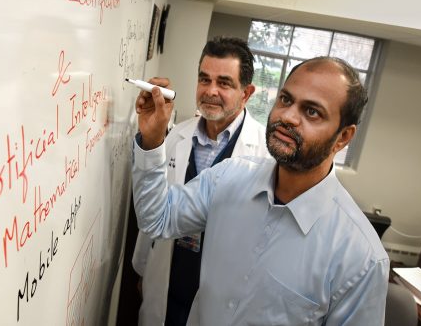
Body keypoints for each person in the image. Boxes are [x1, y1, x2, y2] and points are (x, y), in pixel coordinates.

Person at [132, 56, 389, 325]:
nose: (288, 117)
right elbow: (156, 218)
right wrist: (152, 138)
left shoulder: (361, 259)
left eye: (312, 112)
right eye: (286, 100)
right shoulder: (228, 178)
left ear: (343, 137)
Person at [131, 37, 271, 326]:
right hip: (168, 285)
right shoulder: (175, 136)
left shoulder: (265, 154)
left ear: (246, 93)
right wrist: (143, 269)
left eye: (224, 83)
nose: (210, 91)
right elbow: (153, 208)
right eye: (204, 79)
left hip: (222, 302)